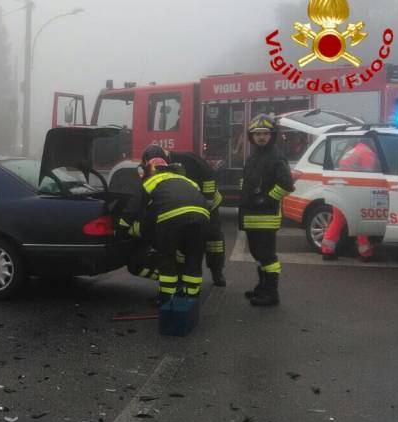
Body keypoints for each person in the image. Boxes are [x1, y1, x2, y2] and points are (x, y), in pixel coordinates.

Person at [119, 155, 211, 306]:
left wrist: (121, 227)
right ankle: (192, 298)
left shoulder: (152, 181)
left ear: (150, 171)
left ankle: (166, 299)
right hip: (201, 219)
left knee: (167, 259)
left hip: (172, 219)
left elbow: (133, 208)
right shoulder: (188, 181)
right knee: (193, 258)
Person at [141, 145, 228, 286]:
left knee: (214, 238)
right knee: (184, 239)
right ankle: (183, 272)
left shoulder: (187, 158)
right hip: (190, 203)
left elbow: (208, 173)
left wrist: (208, 199)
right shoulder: (159, 165)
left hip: (209, 202)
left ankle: (217, 272)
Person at [239, 114, 294, 306]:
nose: (261, 137)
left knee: (267, 256)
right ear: (251, 136)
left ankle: (271, 294)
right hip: (252, 216)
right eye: (257, 134)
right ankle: (262, 287)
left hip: (265, 217)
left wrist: (266, 199)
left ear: (272, 135)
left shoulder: (275, 157)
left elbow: (287, 185)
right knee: (257, 254)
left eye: (265, 133)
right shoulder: (254, 156)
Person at [321, 139, 377, 261]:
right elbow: (369, 176)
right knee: (359, 220)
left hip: (341, 188)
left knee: (337, 221)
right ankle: (365, 252)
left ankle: (327, 250)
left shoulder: (353, 149)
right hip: (355, 189)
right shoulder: (367, 152)